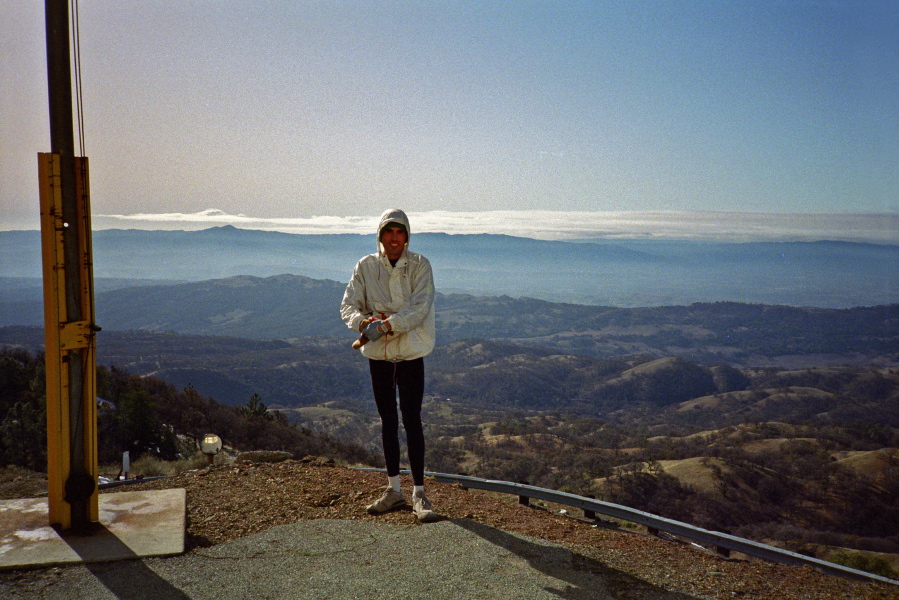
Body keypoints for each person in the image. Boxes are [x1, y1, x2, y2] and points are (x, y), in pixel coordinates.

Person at [340, 208, 438, 522]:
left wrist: (384, 326)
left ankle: (419, 494)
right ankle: (394, 490)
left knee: (412, 420)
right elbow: (348, 305)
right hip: (380, 358)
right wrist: (363, 322)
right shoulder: (366, 266)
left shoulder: (420, 266)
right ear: (380, 235)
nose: (394, 239)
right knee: (387, 421)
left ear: (407, 236)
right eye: (389, 232)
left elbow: (419, 309)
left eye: (400, 233)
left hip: (410, 353)